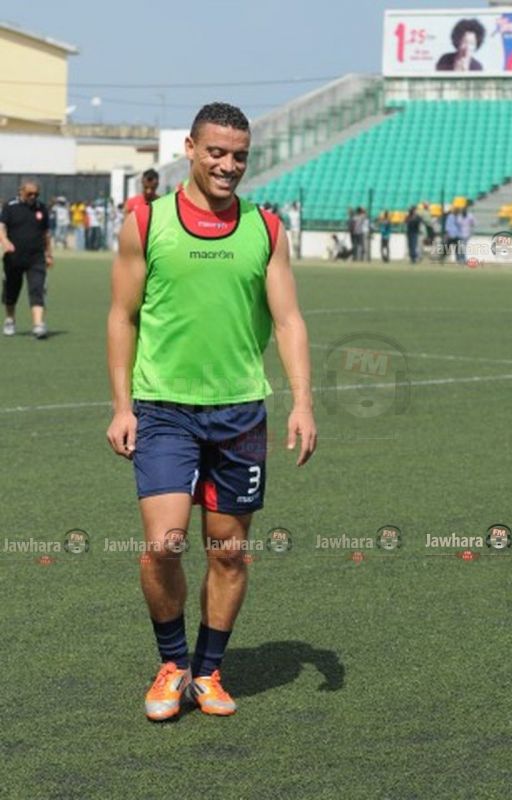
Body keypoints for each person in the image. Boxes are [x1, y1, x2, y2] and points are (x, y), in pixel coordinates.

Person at [106, 102, 317, 722]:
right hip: (164, 410)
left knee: (228, 553)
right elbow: (122, 317)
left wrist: (303, 401)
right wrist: (121, 406)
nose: (228, 165)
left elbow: (288, 320)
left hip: (240, 414)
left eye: (239, 156)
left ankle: (208, 671)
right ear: (192, 149)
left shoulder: (266, 229)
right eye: (217, 152)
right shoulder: (146, 221)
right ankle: (173, 664)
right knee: (163, 546)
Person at [0, 180, 53, 338]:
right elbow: (1, 227)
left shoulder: (41, 208)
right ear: (21, 191)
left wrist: (48, 253)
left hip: (36, 257)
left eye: (36, 194)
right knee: (11, 290)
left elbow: (46, 234)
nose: (33, 197)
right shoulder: (10, 206)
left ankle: (38, 324)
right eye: (30, 193)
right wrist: (5, 241)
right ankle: (10, 320)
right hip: (13, 257)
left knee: (37, 289)